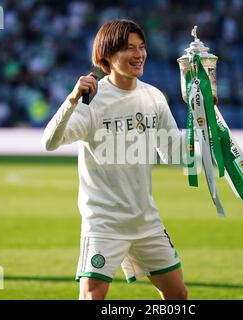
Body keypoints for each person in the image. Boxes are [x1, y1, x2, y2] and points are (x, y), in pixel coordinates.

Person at [42, 19, 187, 300]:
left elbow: (174, 153)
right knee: (92, 297)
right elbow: (50, 142)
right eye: (129, 48)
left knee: (178, 295)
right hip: (104, 223)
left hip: (146, 221)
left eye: (142, 47)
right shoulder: (92, 99)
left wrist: (203, 127)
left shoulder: (154, 97)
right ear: (107, 56)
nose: (139, 54)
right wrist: (71, 100)